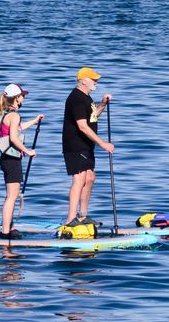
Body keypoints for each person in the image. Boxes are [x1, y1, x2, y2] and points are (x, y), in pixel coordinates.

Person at [61, 67, 113, 227]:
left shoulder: (87, 98)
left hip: (86, 146)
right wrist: (102, 143)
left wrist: (102, 104)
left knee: (90, 177)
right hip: (75, 145)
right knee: (79, 179)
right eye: (93, 79)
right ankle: (71, 219)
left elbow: (92, 116)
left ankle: (83, 216)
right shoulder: (76, 98)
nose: (95, 82)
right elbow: (82, 126)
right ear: (83, 80)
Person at [0, 83, 41, 238]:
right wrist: (28, 151)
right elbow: (14, 138)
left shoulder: (4, 114)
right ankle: (6, 231)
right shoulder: (14, 115)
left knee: (10, 196)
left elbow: (18, 129)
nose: (24, 97)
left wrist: (35, 121)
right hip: (12, 159)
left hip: (5, 158)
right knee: (11, 197)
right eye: (23, 95)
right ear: (16, 98)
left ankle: (8, 227)